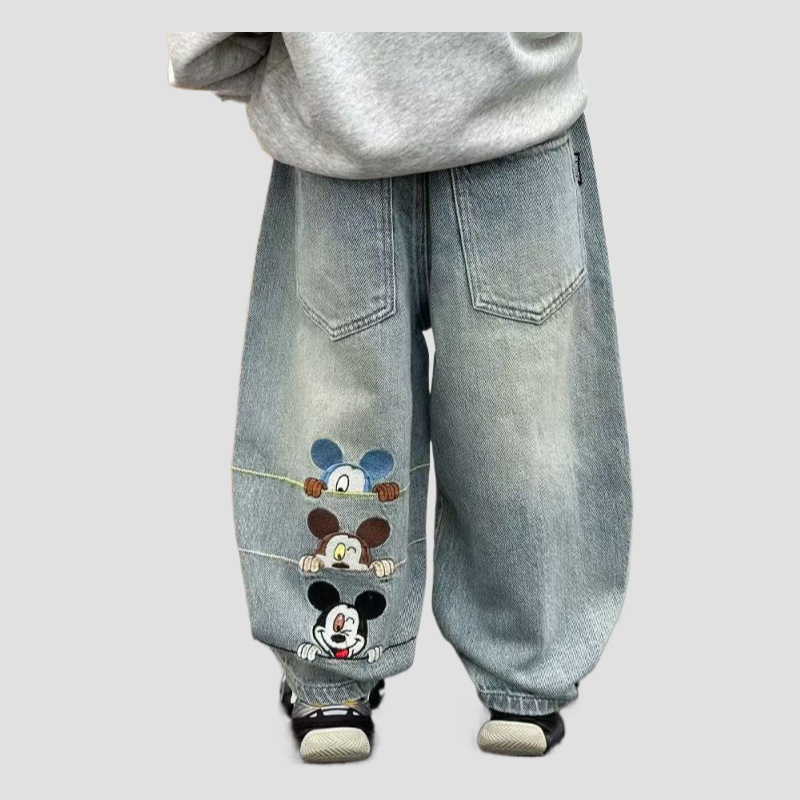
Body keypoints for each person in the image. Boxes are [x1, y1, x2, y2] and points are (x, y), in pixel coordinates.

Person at [167, 31, 631, 763]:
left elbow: (215, 44)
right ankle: (527, 679)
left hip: (343, 107)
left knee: (334, 420)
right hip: (508, 100)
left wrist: (248, 56)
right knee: (526, 417)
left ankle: (333, 674)